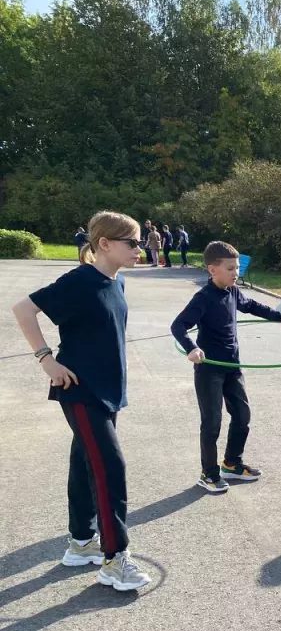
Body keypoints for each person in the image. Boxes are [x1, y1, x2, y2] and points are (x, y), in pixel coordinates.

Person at [11, 210, 151, 591]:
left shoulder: (115, 283)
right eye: (133, 242)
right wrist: (46, 359)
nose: (141, 248)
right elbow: (23, 309)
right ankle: (114, 558)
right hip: (81, 390)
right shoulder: (81, 280)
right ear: (104, 244)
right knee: (109, 466)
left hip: (107, 391)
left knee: (85, 462)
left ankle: (81, 542)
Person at [171, 240, 281, 493]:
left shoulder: (233, 292)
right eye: (230, 268)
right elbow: (178, 325)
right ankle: (209, 473)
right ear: (212, 269)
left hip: (232, 367)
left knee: (242, 416)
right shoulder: (203, 298)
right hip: (209, 369)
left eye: (237, 268)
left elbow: (251, 306)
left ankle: (232, 463)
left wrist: (279, 316)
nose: (236, 273)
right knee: (212, 422)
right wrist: (191, 348)